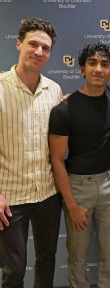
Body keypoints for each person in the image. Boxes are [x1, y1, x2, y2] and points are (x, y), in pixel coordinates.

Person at [48, 43, 110, 288]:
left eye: (105, 64)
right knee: (78, 257)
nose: (98, 69)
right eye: (92, 63)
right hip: (78, 189)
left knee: (108, 254)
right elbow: (57, 160)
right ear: (82, 69)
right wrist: (72, 205)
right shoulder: (64, 110)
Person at [0, 18, 62, 288]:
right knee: (13, 270)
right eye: (33, 44)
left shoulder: (54, 89)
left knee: (47, 259)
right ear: (18, 44)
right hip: (9, 198)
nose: (39, 52)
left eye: (45, 48)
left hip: (47, 193)